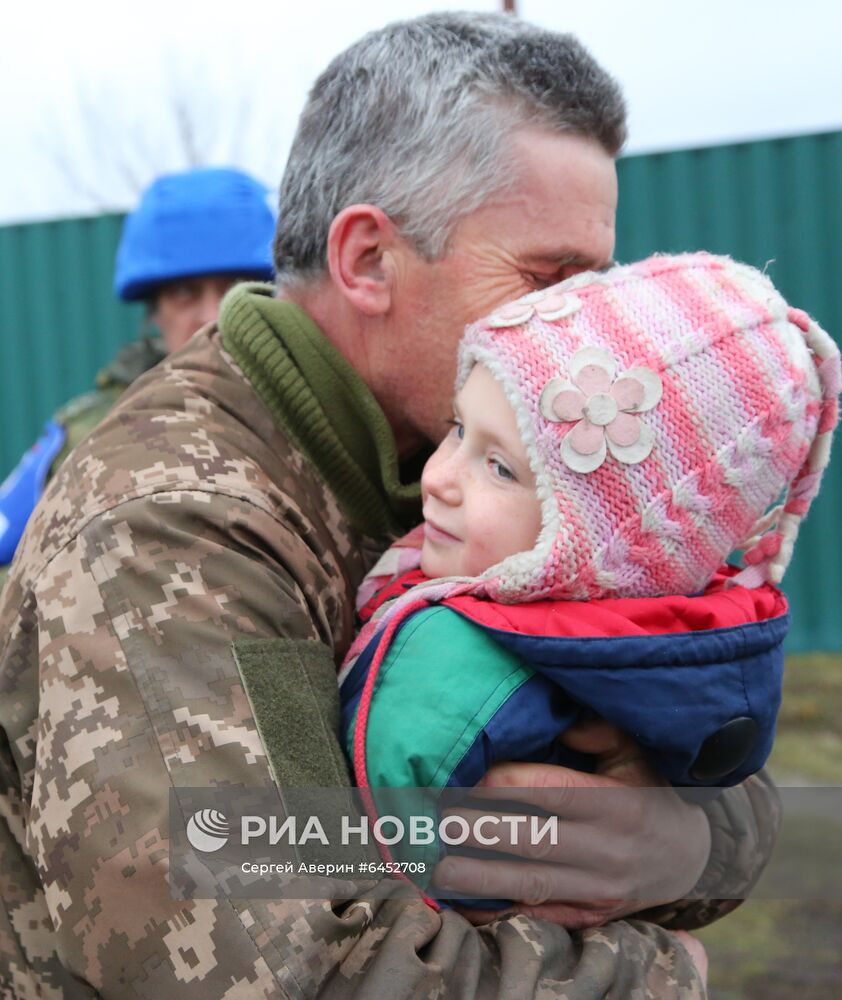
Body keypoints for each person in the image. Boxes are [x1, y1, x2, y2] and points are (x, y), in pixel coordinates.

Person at [0, 13, 780, 998]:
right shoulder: (176, 520)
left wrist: (679, 843)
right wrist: (657, 976)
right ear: (368, 260)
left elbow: (715, 728)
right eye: (549, 280)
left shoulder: (501, 465)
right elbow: (267, 968)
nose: (582, 329)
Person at [340, 253, 839, 906]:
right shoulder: (647, 660)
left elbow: (358, 896)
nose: (435, 476)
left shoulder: (444, 668)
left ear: (606, 553)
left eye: (500, 468)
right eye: (458, 430)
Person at [0, 165, 275, 569]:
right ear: (153, 312)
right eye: (185, 293)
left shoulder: (318, 422)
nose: (213, 315)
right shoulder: (91, 433)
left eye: (235, 287)